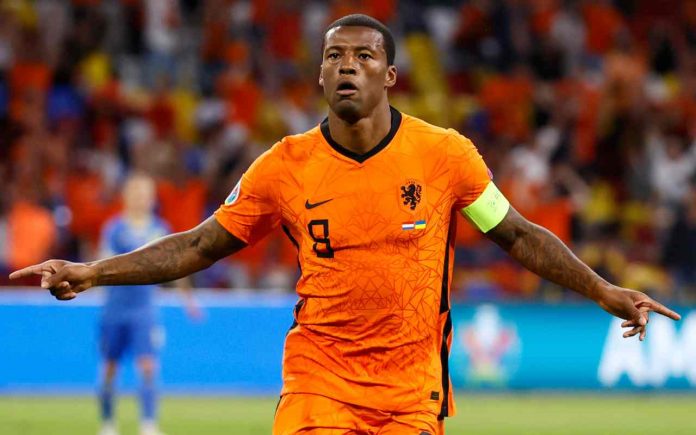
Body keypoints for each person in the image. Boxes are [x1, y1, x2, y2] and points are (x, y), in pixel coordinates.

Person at [10, 14, 680, 435]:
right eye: (334, 56)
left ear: (389, 75)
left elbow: (519, 234)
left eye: (362, 55)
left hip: (410, 393)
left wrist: (603, 290)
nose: (347, 65)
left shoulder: (445, 156)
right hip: (319, 381)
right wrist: (93, 271)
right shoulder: (285, 166)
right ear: (320, 77)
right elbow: (200, 244)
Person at [95, 173, 197, 435]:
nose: (141, 199)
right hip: (114, 309)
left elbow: (177, 265)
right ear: (126, 197)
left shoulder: (159, 230)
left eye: (145, 194)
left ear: (152, 199)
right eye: (137, 194)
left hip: (144, 310)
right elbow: (100, 265)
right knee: (109, 367)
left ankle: (148, 424)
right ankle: (108, 424)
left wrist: (187, 300)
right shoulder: (114, 229)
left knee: (148, 366)